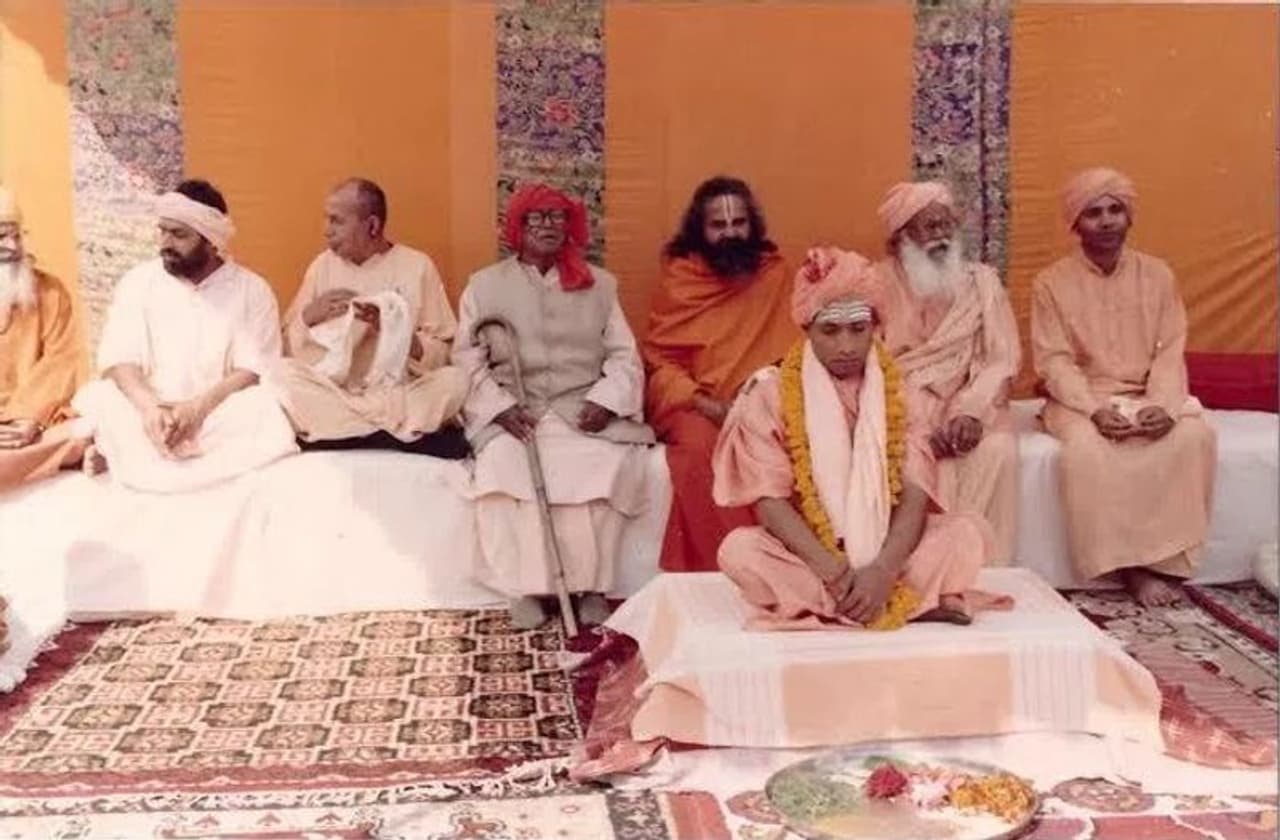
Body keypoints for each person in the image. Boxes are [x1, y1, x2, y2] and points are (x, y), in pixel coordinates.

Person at [713, 246, 1003, 629]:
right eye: (830, 331)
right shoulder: (770, 394)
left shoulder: (901, 393)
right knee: (740, 551)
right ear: (807, 329)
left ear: (876, 327)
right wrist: (835, 572)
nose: (846, 346)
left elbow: (915, 493)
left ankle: (834, 605)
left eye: (858, 329)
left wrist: (882, 570)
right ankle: (903, 603)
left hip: (887, 553)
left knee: (966, 534)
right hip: (811, 555)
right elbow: (770, 503)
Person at [453, 183, 654, 630]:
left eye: (557, 216)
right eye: (536, 217)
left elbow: (624, 356)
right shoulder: (483, 286)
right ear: (517, 227)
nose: (547, 225)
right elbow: (466, 360)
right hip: (516, 415)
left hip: (580, 410)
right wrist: (499, 408)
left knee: (602, 463)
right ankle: (523, 588)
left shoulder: (600, 285)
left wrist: (605, 401)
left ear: (570, 225)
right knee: (502, 465)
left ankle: (590, 587)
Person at [1032, 167, 1216, 606]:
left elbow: (1170, 350)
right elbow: (1054, 360)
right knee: (1087, 450)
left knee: (1193, 436)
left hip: (1146, 396)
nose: (1106, 221)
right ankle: (1128, 570)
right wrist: (1094, 409)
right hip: (1080, 401)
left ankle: (1164, 562)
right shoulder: (1051, 282)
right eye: (1093, 213)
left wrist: (1163, 406)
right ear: (1075, 223)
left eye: (1115, 210)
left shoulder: (1158, 275)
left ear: (1129, 216)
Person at [72, 179, 297, 492]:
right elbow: (120, 359)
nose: (166, 243)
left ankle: (126, 454)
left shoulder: (252, 290)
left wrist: (197, 410)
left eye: (179, 235)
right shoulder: (139, 282)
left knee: (264, 408)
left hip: (215, 412)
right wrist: (150, 408)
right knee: (104, 398)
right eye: (163, 231)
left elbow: (253, 370)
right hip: (148, 410)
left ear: (211, 241)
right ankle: (140, 449)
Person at [641, 176, 796, 571]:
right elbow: (659, 360)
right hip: (693, 401)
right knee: (700, 449)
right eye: (718, 225)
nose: (730, 233)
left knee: (785, 443)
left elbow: (791, 351)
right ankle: (726, 567)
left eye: (738, 223)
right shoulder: (681, 279)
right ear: (700, 229)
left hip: (761, 397)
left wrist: (756, 398)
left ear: (752, 225)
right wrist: (704, 403)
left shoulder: (774, 274)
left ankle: (783, 560)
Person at [872, 181, 1021, 564]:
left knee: (997, 450)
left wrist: (970, 413)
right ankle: (916, 564)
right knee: (911, 450)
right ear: (902, 237)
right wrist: (915, 419)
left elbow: (1001, 359)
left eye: (946, 224)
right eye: (929, 226)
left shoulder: (982, 282)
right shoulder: (875, 284)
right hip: (901, 403)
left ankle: (980, 565)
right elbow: (870, 363)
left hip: (972, 400)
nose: (941, 235)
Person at [275, 178, 469, 458]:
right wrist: (308, 316)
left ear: (373, 226)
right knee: (280, 375)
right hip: (339, 393)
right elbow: (288, 349)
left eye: (336, 221)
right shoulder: (322, 267)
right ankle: (389, 434)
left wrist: (396, 333)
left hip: (399, 394)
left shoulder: (417, 266)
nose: (326, 230)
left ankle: (346, 433)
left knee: (456, 381)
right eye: (327, 220)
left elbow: (444, 351)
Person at [0, 186, 87, 491]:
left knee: (83, 430)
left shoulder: (50, 292)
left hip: (32, 423)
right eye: (1, 237)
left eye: (17, 236)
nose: (12, 246)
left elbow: (62, 360)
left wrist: (28, 418)